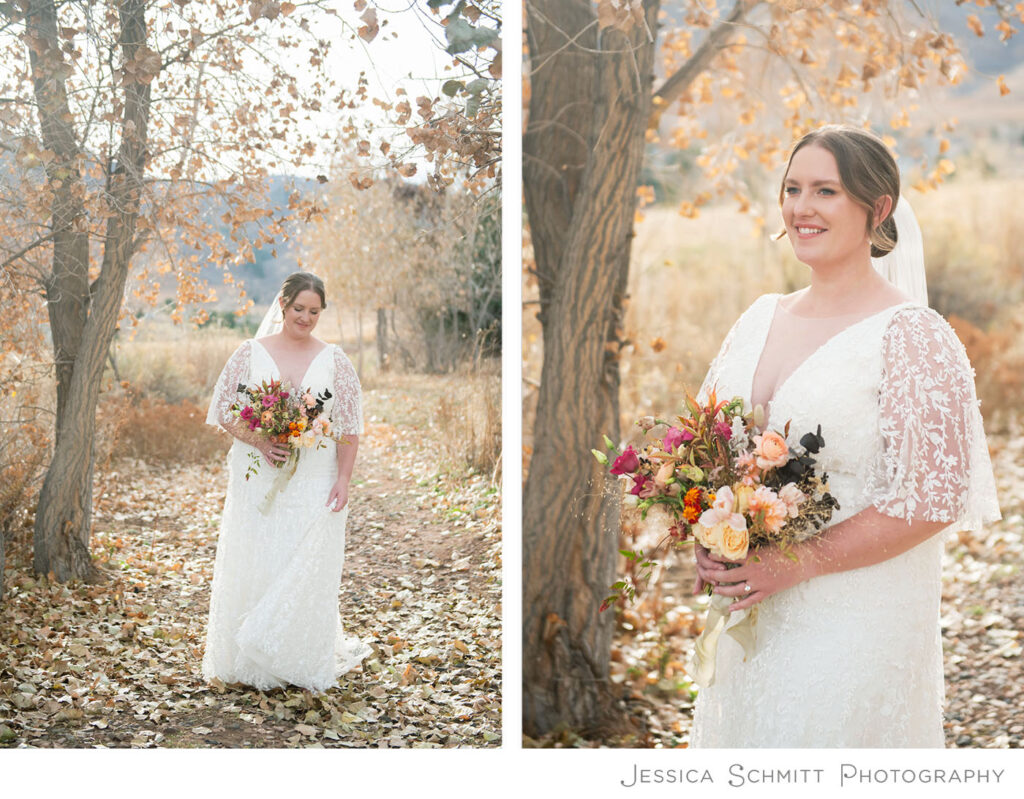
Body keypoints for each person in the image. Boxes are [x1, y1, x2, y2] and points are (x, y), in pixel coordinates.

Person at [689, 125, 1000, 747]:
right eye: (793, 189)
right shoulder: (757, 317)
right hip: (750, 620)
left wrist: (792, 563)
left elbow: (934, 500)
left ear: (877, 208)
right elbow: (706, 450)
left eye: (826, 191)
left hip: (855, 621)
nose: (802, 208)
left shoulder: (913, 336)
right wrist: (706, 528)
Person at [202, 271, 372, 692]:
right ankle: (248, 658)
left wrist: (344, 479)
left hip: (315, 475)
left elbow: (349, 426)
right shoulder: (249, 353)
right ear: (283, 305)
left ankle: (296, 657)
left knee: (307, 560)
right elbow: (223, 409)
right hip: (257, 477)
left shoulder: (335, 361)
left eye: (314, 311)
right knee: (257, 554)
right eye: (299, 309)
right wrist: (261, 441)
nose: (306, 318)